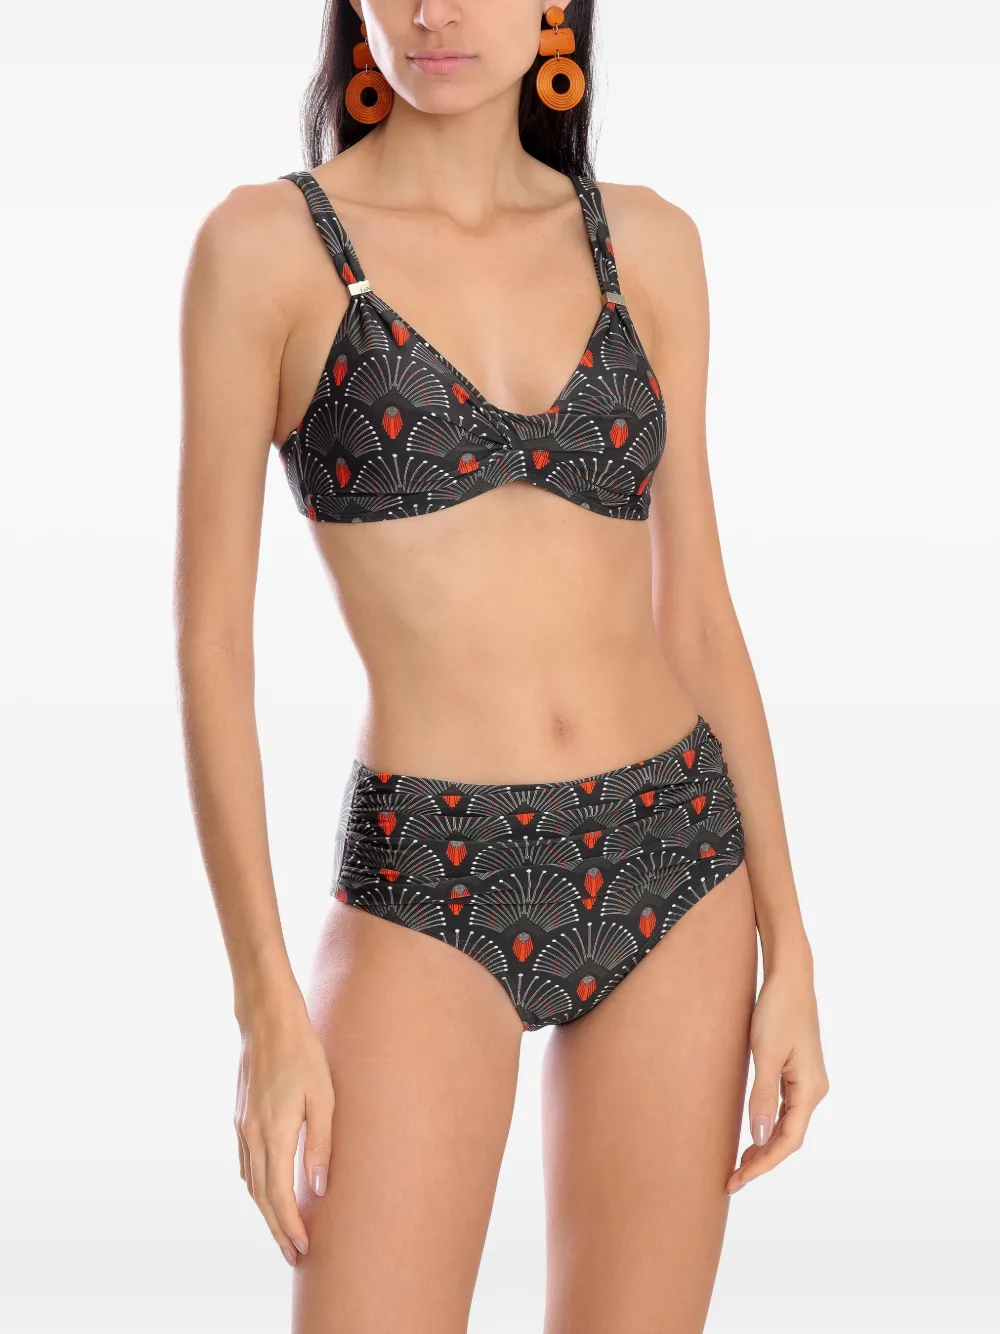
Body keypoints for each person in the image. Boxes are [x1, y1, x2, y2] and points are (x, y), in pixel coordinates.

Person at [175, 2, 828, 1329]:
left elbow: (700, 617)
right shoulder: (267, 250)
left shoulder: (646, 245)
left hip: (678, 857)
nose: (435, 10)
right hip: (430, 874)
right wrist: (265, 1005)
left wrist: (793, 945)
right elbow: (212, 647)